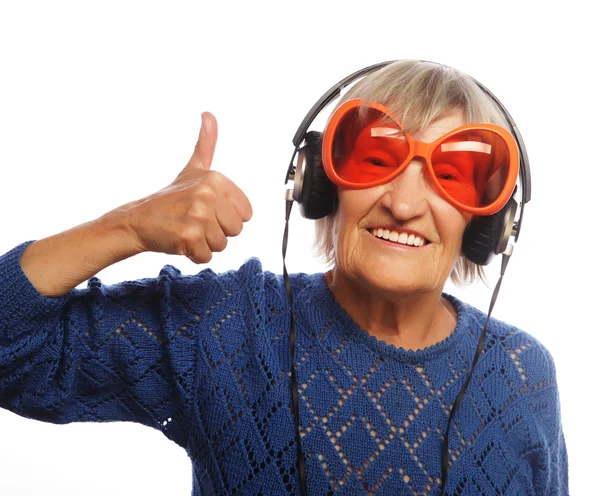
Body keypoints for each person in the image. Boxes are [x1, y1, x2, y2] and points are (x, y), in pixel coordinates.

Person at [0, 60, 568, 495]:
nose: (404, 204)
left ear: (490, 222)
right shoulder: (226, 328)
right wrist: (127, 227)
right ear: (319, 181)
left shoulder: (521, 378)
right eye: (376, 157)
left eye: (454, 173)